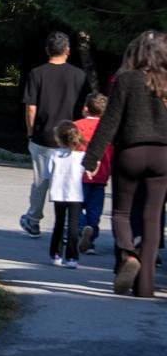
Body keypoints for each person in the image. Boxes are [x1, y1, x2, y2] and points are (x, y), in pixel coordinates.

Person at [81, 30, 167, 297]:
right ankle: (146, 287)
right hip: (164, 156)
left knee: (121, 213)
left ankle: (128, 253)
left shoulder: (126, 79)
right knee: (153, 218)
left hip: (130, 153)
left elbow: (110, 122)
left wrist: (92, 157)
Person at [17, 31, 92, 238]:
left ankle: (33, 220)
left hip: (44, 135)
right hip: (71, 137)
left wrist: (31, 132)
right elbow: (86, 108)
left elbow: (31, 107)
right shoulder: (79, 76)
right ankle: (71, 224)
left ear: (47, 50)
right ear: (68, 50)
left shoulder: (37, 73)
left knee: (41, 180)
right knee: (70, 181)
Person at [74, 95, 112, 255]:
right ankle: (91, 238)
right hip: (101, 175)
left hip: (80, 174)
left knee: (76, 207)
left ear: (86, 108)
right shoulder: (108, 129)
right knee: (94, 209)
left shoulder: (76, 126)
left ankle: (82, 227)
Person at [47, 120, 87, 268]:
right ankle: (72, 258)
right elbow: (88, 172)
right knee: (73, 226)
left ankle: (56, 254)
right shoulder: (82, 156)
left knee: (58, 223)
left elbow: (47, 174)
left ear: (59, 138)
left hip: (58, 193)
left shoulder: (54, 154)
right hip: (75, 194)